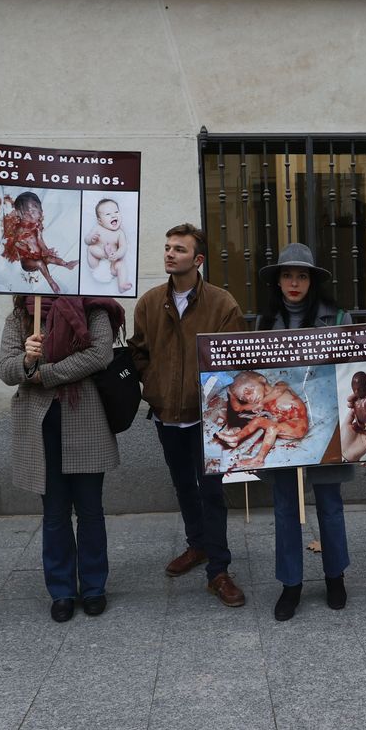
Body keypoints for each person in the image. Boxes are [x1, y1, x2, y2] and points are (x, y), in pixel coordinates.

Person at [130, 223, 248, 607]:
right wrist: (155, 384)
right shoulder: (149, 303)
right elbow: (139, 352)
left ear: (197, 260)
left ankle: (219, 570)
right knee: (183, 484)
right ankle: (197, 545)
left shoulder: (222, 304)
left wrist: (214, 402)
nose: (169, 254)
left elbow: (236, 360)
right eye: (166, 247)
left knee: (212, 492)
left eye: (179, 249)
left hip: (208, 418)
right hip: (167, 414)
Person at [0, 294, 123, 621]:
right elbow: (5, 368)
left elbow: (99, 355)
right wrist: (26, 360)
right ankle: (62, 590)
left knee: (90, 509)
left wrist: (46, 373)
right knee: (54, 513)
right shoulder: (20, 316)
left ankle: (94, 587)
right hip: (40, 427)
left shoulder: (93, 308)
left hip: (85, 419)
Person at [251, 243, 354, 621]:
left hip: (327, 427)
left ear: (313, 281)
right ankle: (290, 584)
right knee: (285, 508)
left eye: (302, 275)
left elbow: (355, 372)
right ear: (277, 281)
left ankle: (335, 577)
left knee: (330, 506)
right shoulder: (264, 323)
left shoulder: (339, 317)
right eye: (287, 275)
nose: (294, 283)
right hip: (284, 429)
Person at [1, 190, 78, 293]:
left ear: (41, 209)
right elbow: (15, 243)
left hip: (39, 256)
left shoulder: (37, 226)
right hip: (28, 262)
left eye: (35, 210)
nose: (33, 215)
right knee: (40, 263)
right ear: (20, 215)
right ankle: (52, 283)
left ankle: (67, 264)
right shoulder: (20, 229)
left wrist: (46, 251)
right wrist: (25, 247)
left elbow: (40, 241)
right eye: (27, 214)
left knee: (51, 258)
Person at [83, 197, 132, 293]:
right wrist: (91, 239)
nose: (113, 216)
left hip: (112, 266)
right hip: (96, 265)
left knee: (121, 264)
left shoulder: (119, 233)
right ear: (100, 221)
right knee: (91, 248)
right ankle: (106, 254)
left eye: (116, 212)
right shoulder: (97, 228)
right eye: (108, 214)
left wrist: (117, 254)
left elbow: (123, 247)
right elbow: (86, 240)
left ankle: (122, 285)